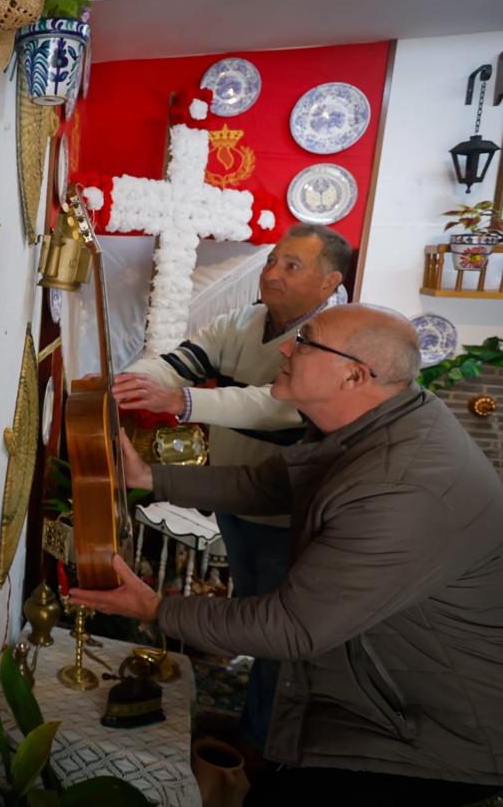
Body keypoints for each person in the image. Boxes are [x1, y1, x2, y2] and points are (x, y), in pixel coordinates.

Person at [72, 304, 503, 806]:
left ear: (353, 375)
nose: (284, 348)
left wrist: (153, 608)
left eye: (306, 341)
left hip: (425, 738)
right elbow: (275, 483)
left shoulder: (401, 487)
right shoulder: (379, 417)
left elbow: (292, 627)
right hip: (377, 697)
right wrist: (151, 477)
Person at [111, 222, 351, 748]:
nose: (273, 273)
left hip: (286, 512)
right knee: (253, 609)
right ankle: (253, 724)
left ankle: (267, 746)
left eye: (293, 266)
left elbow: (280, 405)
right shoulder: (245, 319)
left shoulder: (338, 335)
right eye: (272, 261)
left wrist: (184, 402)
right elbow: (182, 361)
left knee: (279, 630)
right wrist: (137, 381)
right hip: (237, 498)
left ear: (330, 281)